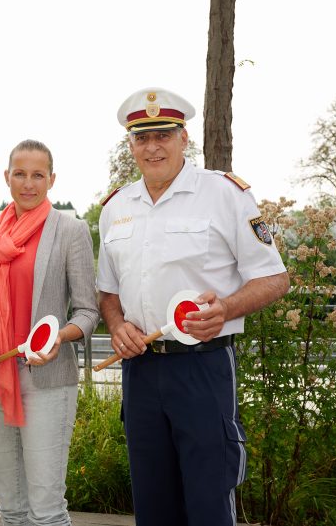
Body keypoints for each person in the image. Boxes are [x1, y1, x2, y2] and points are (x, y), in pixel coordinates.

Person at [97, 87, 290, 526]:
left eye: (163, 134)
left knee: (208, 501)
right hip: (141, 372)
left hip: (203, 369)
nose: (153, 147)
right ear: (131, 145)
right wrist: (117, 324)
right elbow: (107, 291)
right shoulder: (115, 208)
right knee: (152, 504)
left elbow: (275, 277)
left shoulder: (225, 194)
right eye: (142, 138)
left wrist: (227, 307)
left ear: (184, 138)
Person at [0, 139, 100, 526]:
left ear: (52, 179)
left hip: (47, 381)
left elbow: (88, 311)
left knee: (46, 510)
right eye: (20, 174)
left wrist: (61, 337)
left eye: (38, 175)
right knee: (10, 507)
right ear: (6, 177)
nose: (28, 183)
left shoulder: (70, 230)